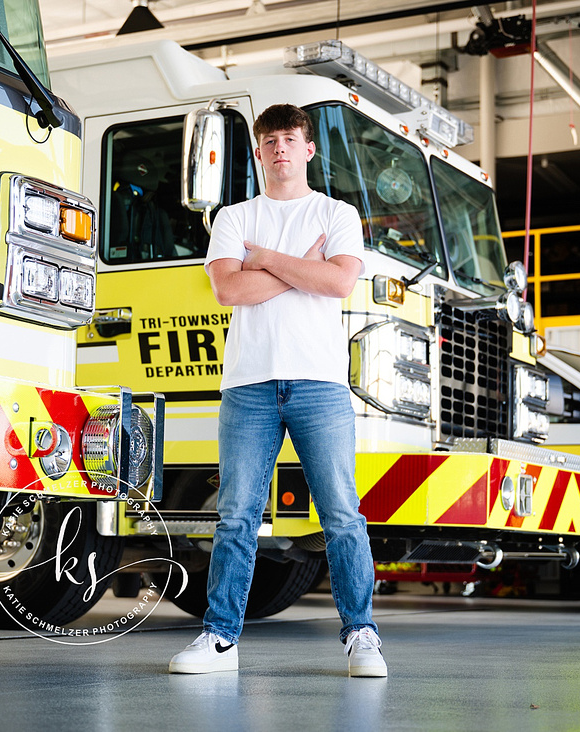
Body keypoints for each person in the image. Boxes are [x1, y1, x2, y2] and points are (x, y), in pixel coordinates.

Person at [168, 103, 386, 677]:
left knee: (342, 515)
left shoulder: (337, 213)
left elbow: (338, 280)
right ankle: (219, 638)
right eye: (270, 141)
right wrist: (296, 267)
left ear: (309, 150)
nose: (281, 149)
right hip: (249, 384)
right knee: (237, 515)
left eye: (291, 139)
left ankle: (361, 634)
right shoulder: (234, 218)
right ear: (259, 152)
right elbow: (228, 292)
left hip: (320, 383)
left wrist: (262, 261)